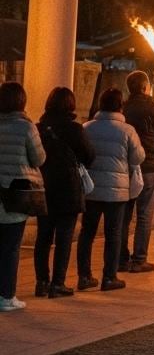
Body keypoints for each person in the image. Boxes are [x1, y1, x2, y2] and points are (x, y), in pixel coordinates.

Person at [78, 88, 145, 292]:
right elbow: (138, 157)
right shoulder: (127, 130)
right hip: (117, 191)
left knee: (87, 232)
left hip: (91, 188)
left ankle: (84, 276)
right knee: (113, 234)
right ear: (120, 106)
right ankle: (109, 277)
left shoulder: (87, 127)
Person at [34, 86, 95, 298]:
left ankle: (41, 282)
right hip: (68, 187)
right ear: (70, 105)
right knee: (64, 237)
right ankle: (57, 283)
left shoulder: (38, 128)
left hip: (44, 186)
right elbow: (89, 155)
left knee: (43, 236)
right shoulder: (75, 129)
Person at [120, 69, 154, 273]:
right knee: (145, 214)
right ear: (145, 87)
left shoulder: (123, 108)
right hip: (149, 166)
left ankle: (121, 258)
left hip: (125, 166)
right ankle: (139, 258)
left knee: (124, 214)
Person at [0, 81, 46, 311]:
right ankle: (6, 296)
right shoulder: (26, 127)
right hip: (15, 194)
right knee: (10, 247)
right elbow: (39, 158)